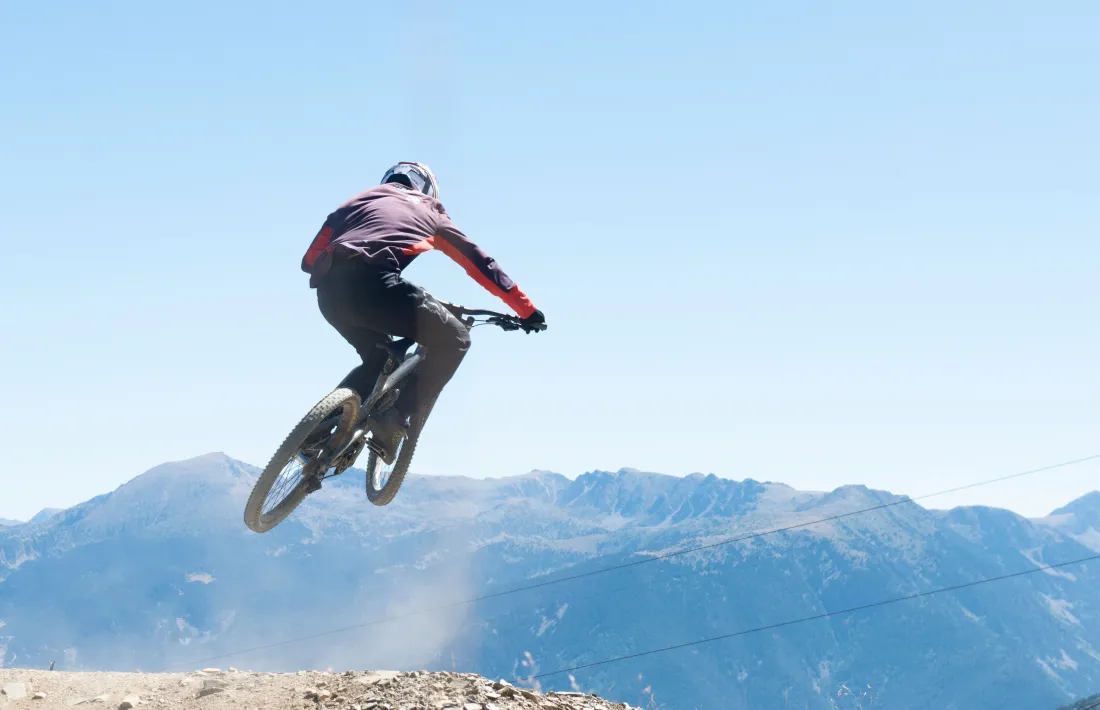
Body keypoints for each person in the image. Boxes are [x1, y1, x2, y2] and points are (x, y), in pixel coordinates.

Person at [300, 162, 546, 462]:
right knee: (455, 340)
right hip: (377, 288)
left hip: (329, 293)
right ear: (428, 189)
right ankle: (394, 419)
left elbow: (309, 260)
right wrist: (525, 309)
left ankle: (315, 432)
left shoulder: (357, 200)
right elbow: (479, 263)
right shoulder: (430, 210)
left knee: (380, 359)